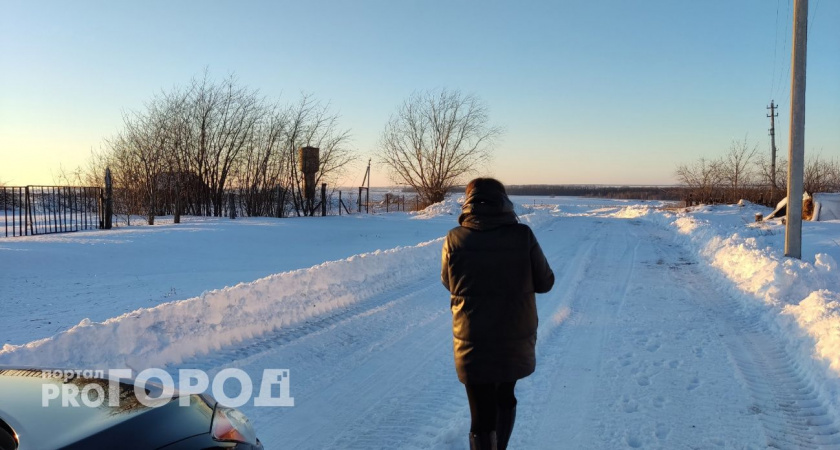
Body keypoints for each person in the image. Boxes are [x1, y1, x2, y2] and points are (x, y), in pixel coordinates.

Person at [441, 178, 555, 450]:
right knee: (505, 396)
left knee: (480, 413)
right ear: (503, 202)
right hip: (513, 337)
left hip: (472, 340)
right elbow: (546, 283)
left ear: (468, 203)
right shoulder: (523, 235)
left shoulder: (455, 238)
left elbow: (448, 282)